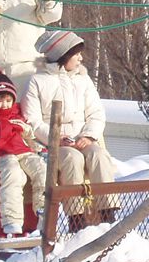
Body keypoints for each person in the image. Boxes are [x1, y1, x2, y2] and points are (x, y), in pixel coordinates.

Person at [22, 29, 119, 231]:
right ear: (62, 55)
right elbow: (32, 120)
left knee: (99, 156)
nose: (80, 58)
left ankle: (108, 214)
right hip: (56, 143)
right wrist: (56, 138)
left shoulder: (83, 80)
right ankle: (76, 219)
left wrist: (89, 135)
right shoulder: (37, 82)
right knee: (72, 160)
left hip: (83, 137)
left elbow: (96, 113)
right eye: (76, 55)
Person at [0, 66, 47, 237]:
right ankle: (12, 221)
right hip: (2, 156)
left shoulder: (16, 116)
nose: (4, 104)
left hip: (25, 153)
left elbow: (29, 137)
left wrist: (40, 150)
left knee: (41, 170)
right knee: (14, 174)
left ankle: (44, 211)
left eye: (8, 100)